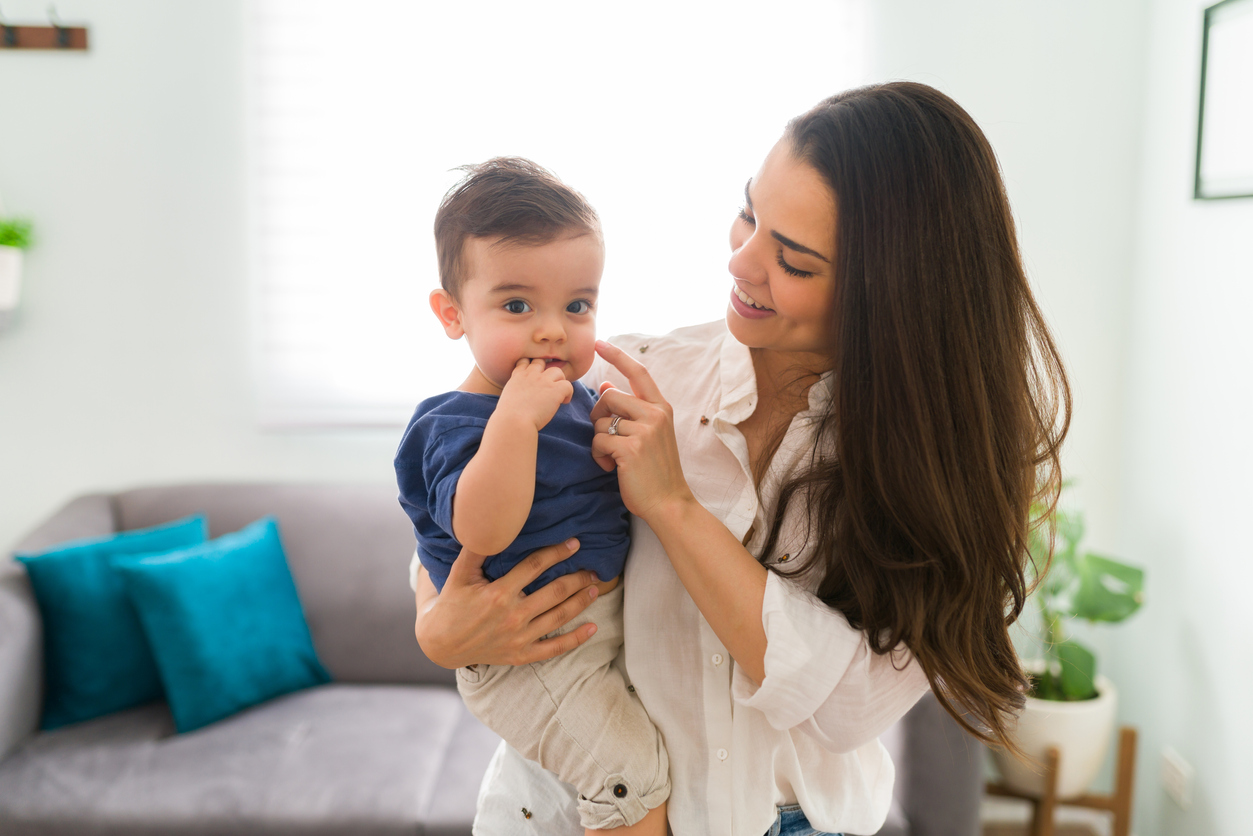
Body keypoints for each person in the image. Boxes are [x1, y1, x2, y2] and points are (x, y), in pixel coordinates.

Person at [413, 83, 1071, 836]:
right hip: (561, 810)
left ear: (885, 292)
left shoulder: (936, 468)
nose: (741, 260)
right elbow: (456, 507)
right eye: (749, 212)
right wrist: (437, 626)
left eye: (791, 258)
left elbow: (851, 704)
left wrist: (672, 507)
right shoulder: (627, 375)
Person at [394, 158, 670, 835]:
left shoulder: (578, 400)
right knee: (631, 773)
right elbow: (482, 530)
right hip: (522, 655)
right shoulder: (452, 424)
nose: (552, 329)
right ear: (451, 314)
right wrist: (514, 424)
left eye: (576, 306)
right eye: (517, 306)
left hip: (585, 637)